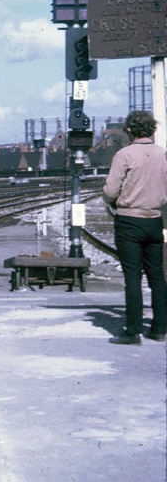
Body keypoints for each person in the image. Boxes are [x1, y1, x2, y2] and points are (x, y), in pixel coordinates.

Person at [103, 110, 167, 344]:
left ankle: (133, 331)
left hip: (129, 220)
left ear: (129, 130)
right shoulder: (163, 154)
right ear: (152, 129)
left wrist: (110, 200)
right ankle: (160, 329)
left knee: (132, 277)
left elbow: (110, 190)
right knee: (157, 276)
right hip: (154, 220)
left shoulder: (124, 155)